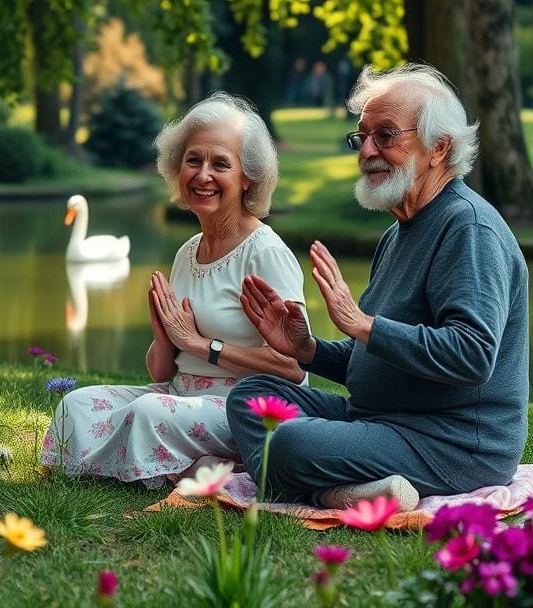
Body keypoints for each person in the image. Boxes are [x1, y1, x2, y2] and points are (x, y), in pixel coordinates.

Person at [227, 63, 529, 511]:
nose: (367, 150)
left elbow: (472, 355)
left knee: (289, 442)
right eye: (361, 136)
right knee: (251, 399)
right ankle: (342, 491)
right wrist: (307, 348)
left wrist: (363, 324)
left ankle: (319, 486)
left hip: (453, 444)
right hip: (381, 420)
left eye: (385, 136)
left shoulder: (468, 229)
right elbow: (379, 360)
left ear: (438, 148)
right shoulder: (399, 230)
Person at [40, 94, 308, 487]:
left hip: (247, 407)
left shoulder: (265, 253)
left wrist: (202, 345)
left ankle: (210, 468)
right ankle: (199, 468)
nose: (203, 175)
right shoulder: (188, 252)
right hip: (178, 394)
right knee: (75, 406)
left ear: (247, 176)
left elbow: (296, 369)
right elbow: (162, 370)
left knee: (150, 412)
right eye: (193, 160)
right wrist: (164, 333)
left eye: (220, 164)